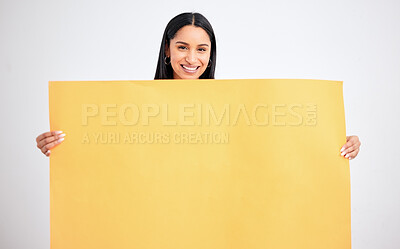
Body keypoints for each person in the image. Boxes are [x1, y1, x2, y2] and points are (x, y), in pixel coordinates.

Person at [35, 12, 361, 159]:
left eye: (202, 49)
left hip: (216, 222)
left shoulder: (232, 109)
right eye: (182, 47)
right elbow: (111, 158)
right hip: (153, 219)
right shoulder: (133, 110)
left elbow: (273, 146)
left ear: (210, 54)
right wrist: (62, 146)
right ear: (167, 49)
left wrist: (332, 141)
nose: (192, 58)